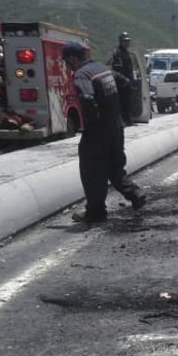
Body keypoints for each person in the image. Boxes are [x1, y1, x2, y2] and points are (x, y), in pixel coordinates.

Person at [61, 42, 146, 224]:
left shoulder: (82, 75)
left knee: (91, 171)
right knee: (115, 166)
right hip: (116, 127)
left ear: (73, 59)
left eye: (67, 62)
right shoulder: (102, 68)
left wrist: (93, 120)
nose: (67, 66)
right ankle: (135, 193)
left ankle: (95, 212)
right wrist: (121, 111)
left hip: (98, 131)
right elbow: (125, 83)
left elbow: (86, 97)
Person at [109, 32, 135, 125]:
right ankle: (122, 120)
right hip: (121, 82)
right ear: (121, 41)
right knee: (122, 101)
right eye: (125, 41)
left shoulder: (126, 52)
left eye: (128, 41)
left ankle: (128, 119)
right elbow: (117, 69)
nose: (127, 42)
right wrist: (124, 79)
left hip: (127, 81)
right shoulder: (118, 52)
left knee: (128, 101)